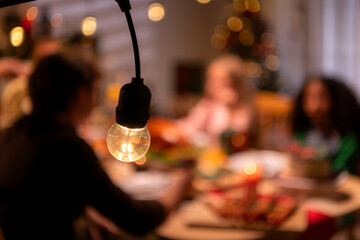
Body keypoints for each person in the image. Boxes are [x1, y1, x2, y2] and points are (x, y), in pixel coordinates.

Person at [0, 53, 190, 240]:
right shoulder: (67, 148)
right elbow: (137, 219)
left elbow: (41, 196)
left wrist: (85, 209)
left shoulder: (10, 135)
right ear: (81, 94)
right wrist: (179, 186)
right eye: (95, 90)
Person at [176, 54, 256, 148]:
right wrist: (175, 128)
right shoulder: (207, 103)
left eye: (216, 82)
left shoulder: (240, 110)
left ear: (234, 86)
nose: (208, 86)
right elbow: (192, 124)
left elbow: (222, 137)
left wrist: (223, 107)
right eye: (209, 80)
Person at [290, 76, 360, 175]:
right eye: (308, 98)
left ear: (336, 100)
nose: (314, 106)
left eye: (321, 97)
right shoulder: (303, 134)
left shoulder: (347, 141)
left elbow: (342, 172)